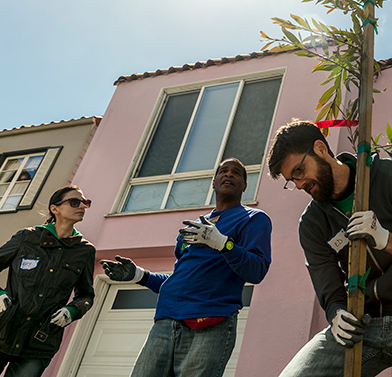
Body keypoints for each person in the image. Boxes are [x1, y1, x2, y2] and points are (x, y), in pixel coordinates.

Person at [267, 120, 392, 376]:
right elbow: (328, 285)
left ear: (320, 148)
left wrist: (384, 238)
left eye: (299, 171)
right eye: (290, 180)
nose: (298, 184)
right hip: (362, 323)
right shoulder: (312, 222)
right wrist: (337, 315)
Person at [99, 158, 272, 377]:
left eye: (236, 173)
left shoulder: (253, 219)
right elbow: (179, 280)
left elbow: (256, 271)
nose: (228, 175)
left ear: (245, 186)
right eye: (223, 171)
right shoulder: (194, 228)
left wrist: (223, 244)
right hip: (165, 322)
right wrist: (139, 275)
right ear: (213, 181)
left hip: (210, 322)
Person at [0, 185, 96, 377]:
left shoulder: (85, 251)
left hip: (39, 344)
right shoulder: (27, 238)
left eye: (86, 203)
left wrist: (72, 310)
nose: (82, 206)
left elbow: (86, 295)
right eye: (75, 202)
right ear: (55, 208)